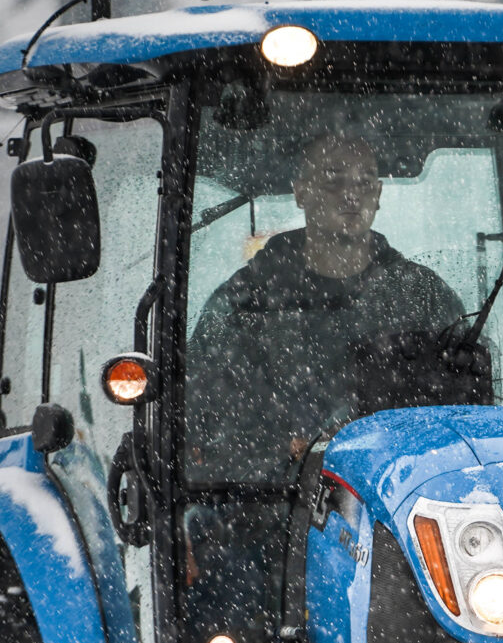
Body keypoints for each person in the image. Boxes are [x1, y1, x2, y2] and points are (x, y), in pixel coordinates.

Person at [186, 131, 466, 484]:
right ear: (302, 193)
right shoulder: (246, 298)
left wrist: (376, 441)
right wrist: (289, 447)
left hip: (402, 497)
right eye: (334, 180)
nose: (352, 194)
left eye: (365, 182)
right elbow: (202, 415)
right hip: (269, 504)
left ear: (378, 195)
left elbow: (464, 408)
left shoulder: (423, 297)